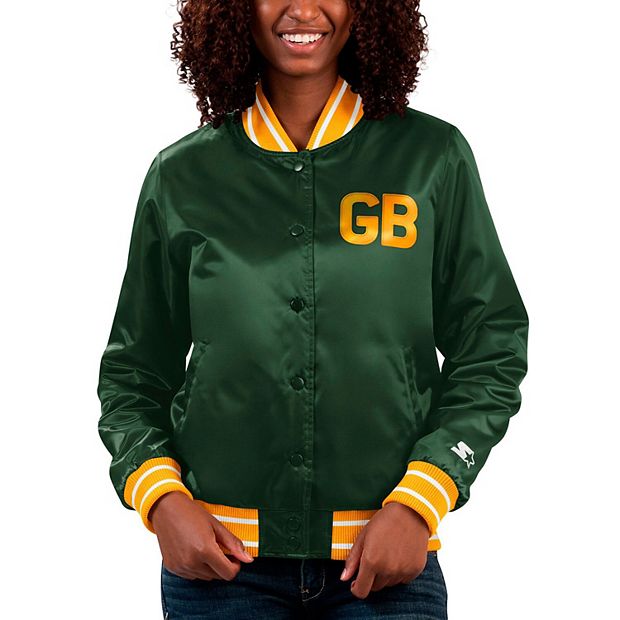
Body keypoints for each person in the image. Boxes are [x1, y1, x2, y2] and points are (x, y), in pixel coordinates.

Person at [96, 1, 529, 618]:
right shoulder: (181, 175)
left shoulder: (432, 158)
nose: (302, 9)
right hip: (219, 570)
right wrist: (161, 500)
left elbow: (491, 342)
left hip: (386, 566)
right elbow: (134, 370)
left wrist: (422, 499)